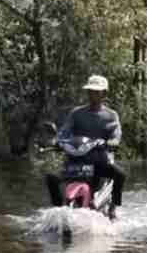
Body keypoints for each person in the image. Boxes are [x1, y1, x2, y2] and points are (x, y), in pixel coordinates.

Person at [45, 74, 126, 220]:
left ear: (104, 93)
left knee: (120, 174)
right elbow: (65, 131)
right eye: (90, 91)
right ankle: (58, 211)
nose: (92, 94)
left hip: (98, 162)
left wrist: (113, 141)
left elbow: (116, 132)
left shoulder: (111, 115)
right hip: (75, 162)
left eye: (96, 91)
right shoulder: (77, 113)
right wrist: (56, 141)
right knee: (51, 177)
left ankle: (113, 208)